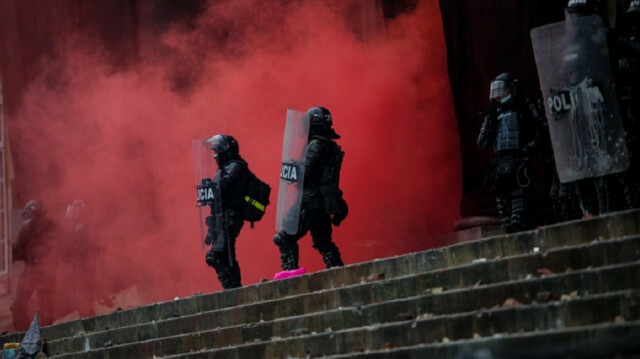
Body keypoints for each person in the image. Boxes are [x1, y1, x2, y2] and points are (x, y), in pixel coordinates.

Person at [273, 106, 348, 271]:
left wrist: (293, 166)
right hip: (323, 203)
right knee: (323, 242)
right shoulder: (331, 146)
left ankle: (290, 277)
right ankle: (339, 272)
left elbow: (304, 171)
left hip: (308, 201)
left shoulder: (315, 145)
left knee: (284, 237)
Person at [477, 73, 547, 233]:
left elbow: (543, 129)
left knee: (518, 219)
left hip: (518, 162)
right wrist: (489, 120)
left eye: (503, 91)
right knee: (506, 223)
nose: (499, 96)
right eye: (497, 92)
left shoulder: (524, 107)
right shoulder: (494, 115)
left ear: (513, 90)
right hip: (500, 164)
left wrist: (529, 149)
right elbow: (482, 143)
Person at [202, 134, 249, 290]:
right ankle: (232, 288)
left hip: (230, 216)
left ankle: (233, 288)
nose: (215, 155)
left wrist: (211, 188)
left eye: (217, 150)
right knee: (223, 255)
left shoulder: (236, 166)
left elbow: (224, 188)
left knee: (219, 255)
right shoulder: (222, 170)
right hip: (220, 217)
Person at [11, 200, 57, 330]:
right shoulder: (52, 226)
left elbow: (18, 250)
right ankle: (46, 335)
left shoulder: (27, 228)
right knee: (46, 306)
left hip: (32, 270)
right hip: (48, 272)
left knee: (19, 305)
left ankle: (24, 335)